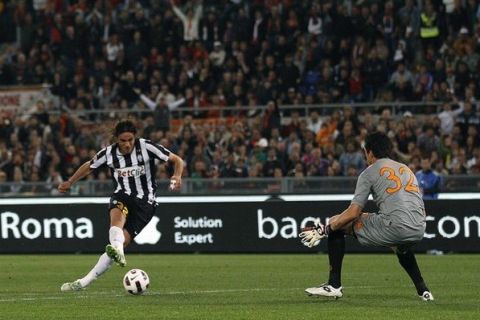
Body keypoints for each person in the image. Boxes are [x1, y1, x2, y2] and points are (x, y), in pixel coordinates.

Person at [299, 132, 433, 301]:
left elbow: (353, 212)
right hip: (419, 227)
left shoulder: (369, 172)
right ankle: (424, 291)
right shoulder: (406, 169)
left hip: (396, 226)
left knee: (337, 222)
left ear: (369, 152)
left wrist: (326, 229)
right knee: (400, 246)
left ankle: (333, 285)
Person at [58, 120, 184, 291]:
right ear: (117, 139)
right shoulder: (109, 153)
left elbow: (177, 160)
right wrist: (70, 181)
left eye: (130, 140)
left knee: (119, 244)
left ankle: (92, 274)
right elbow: (89, 166)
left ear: (135, 137)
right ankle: (85, 280)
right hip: (122, 195)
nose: (127, 144)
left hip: (146, 204)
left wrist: (177, 176)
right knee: (116, 217)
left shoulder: (146, 147)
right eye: (123, 141)